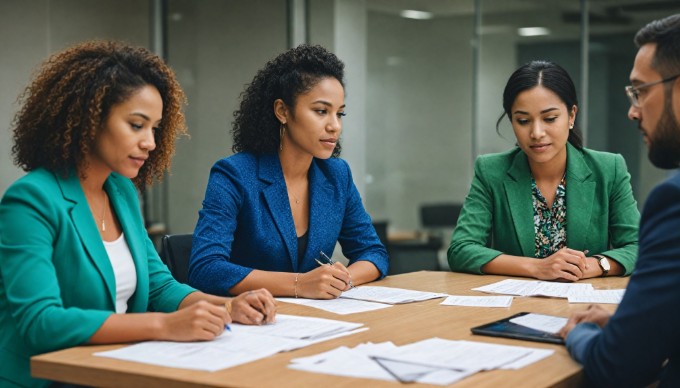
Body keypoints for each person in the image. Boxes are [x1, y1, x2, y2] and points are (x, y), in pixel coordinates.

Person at [0, 41, 276, 388]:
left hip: (114, 370)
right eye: (136, 125)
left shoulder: (121, 191)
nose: (151, 142)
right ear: (88, 120)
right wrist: (163, 326)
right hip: (47, 380)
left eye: (155, 128)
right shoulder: (32, 200)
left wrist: (227, 307)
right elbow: (41, 323)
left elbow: (160, 286)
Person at [189, 44, 388, 299]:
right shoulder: (234, 174)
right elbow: (206, 269)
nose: (335, 126)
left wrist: (339, 280)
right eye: (321, 111)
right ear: (283, 111)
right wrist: (299, 284)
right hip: (252, 324)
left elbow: (373, 252)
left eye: (339, 114)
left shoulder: (337, 175)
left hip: (316, 321)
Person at [560, 14, 680, 386]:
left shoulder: (673, 199)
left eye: (640, 91)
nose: (632, 110)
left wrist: (575, 334)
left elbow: (617, 369)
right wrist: (629, 327)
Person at [448, 60, 640, 281]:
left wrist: (594, 265)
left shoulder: (608, 169)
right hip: (515, 304)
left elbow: (638, 246)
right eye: (523, 120)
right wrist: (537, 267)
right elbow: (461, 250)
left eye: (549, 118)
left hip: (584, 306)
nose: (536, 132)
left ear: (572, 115)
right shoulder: (491, 171)